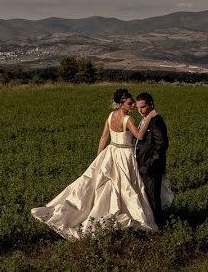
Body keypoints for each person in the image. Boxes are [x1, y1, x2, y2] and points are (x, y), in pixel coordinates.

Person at [30, 89, 159, 240]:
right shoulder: (128, 119)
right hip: (124, 155)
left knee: (115, 185)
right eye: (130, 103)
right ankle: (125, 214)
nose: (132, 106)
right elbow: (139, 135)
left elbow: (104, 137)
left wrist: (99, 157)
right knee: (127, 186)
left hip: (111, 151)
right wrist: (150, 117)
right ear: (121, 104)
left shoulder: (110, 116)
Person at [134, 92, 173, 227]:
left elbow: (162, 144)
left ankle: (159, 227)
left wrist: (151, 164)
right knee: (146, 198)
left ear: (151, 105)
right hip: (142, 164)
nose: (140, 110)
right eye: (138, 107)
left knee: (153, 199)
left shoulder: (156, 121)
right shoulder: (145, 119)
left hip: (150, 167)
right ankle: (151, 225)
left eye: (143, 107)